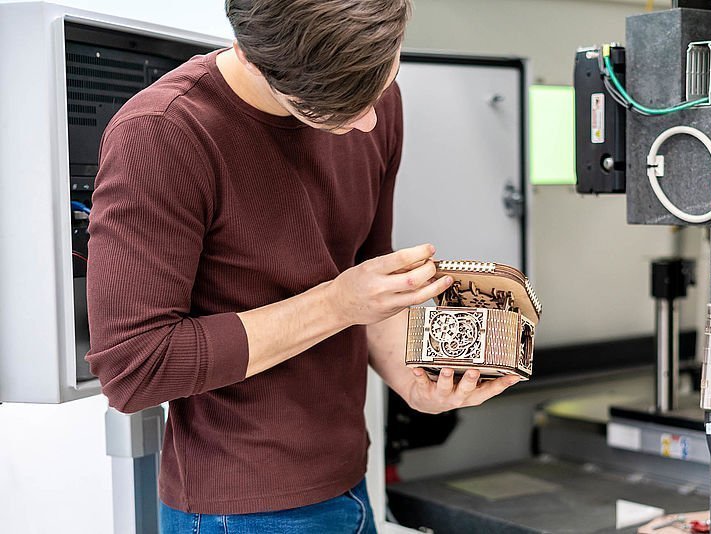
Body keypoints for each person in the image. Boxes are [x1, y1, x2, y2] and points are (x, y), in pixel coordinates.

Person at [85, 1, 521, 532]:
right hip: (240, 510)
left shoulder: (375, 97)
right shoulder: (162, 134)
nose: (369, 121)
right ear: (255, 60)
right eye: (337, 108)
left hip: (349, 480)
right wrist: (337, 303)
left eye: (383, 81)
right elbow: (135, 368)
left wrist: (412, 379)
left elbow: (366, 274)